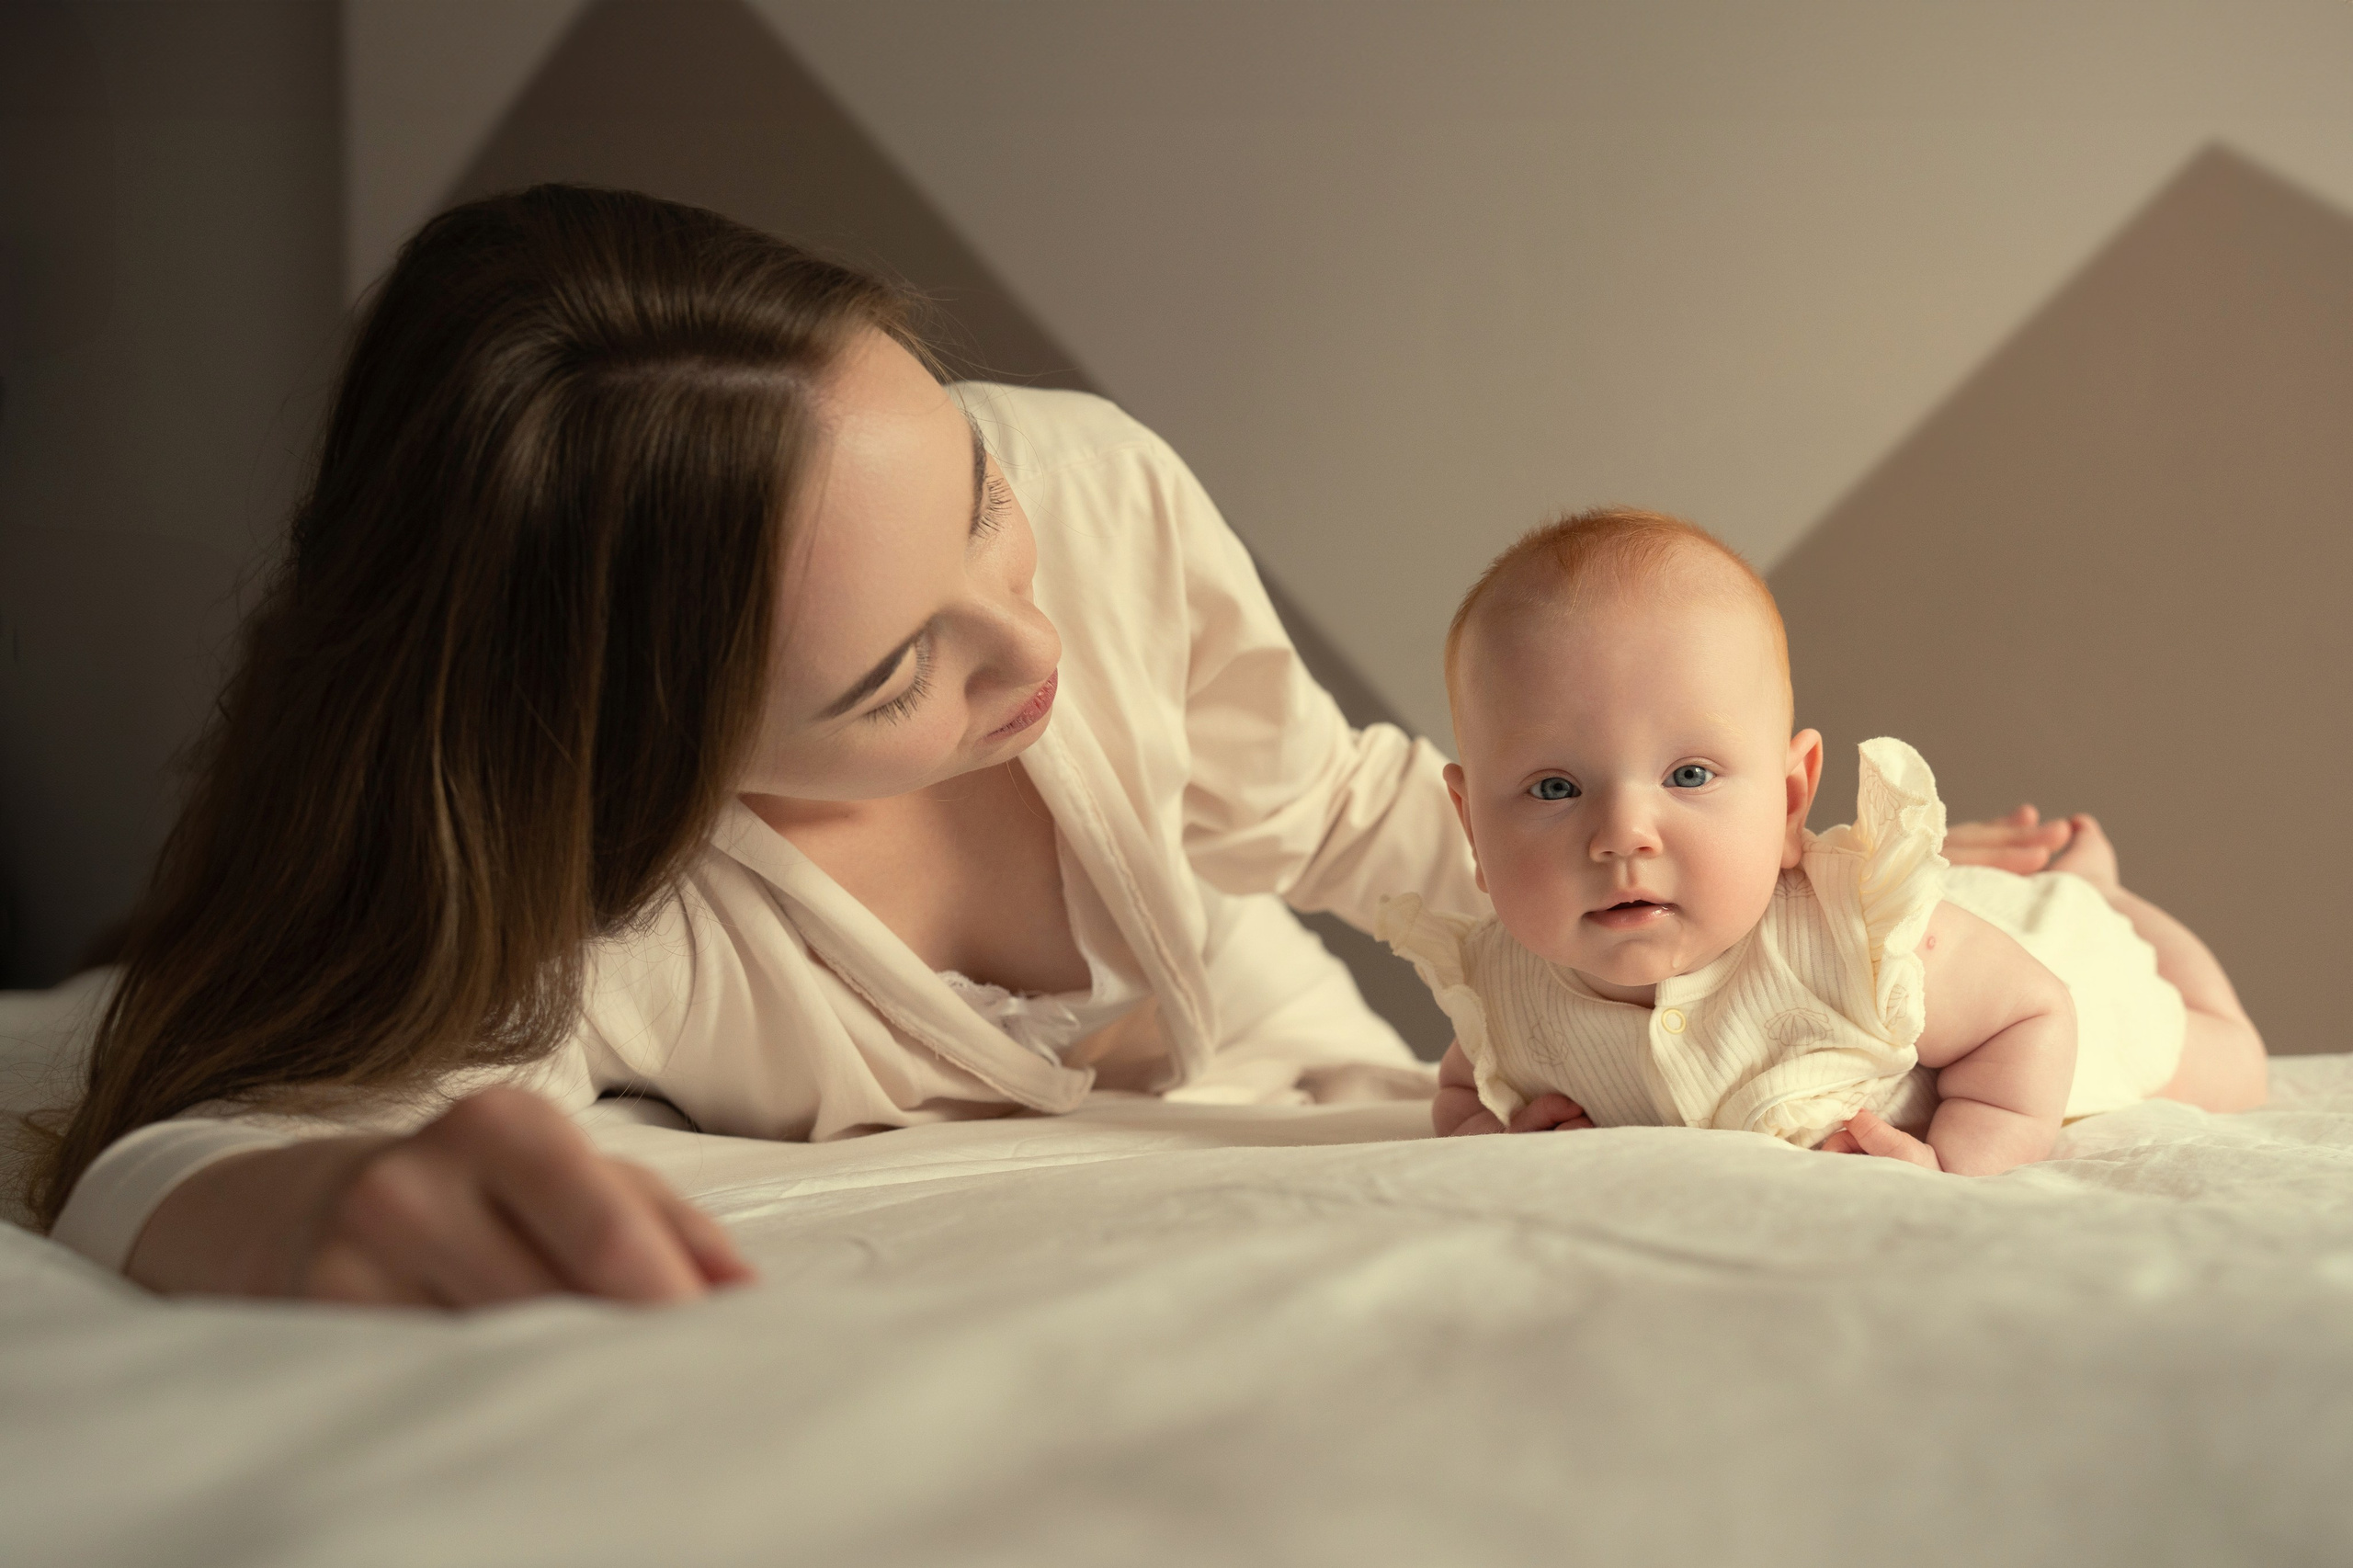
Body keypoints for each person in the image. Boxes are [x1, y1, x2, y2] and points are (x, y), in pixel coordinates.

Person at [24, 189, 2103, 1308]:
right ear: (657, 759)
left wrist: (1825, 904)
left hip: (1281, 1045)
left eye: (975, 501)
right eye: (893, 679)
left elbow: (1348, 809)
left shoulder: (1095, 495)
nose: (1035, 647)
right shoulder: (613, 911)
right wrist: (291, 1212)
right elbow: (203, 1143)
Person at [1388, 508, 2268, 1172]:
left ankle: (2103, 893)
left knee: (2231, 1068)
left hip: (2032, 963)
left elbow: (2033, 1012)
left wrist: (1963, 1159)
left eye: (1688, 775)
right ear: (1473, 828)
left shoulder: (1857, 943)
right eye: (1554, 788)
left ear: (1789, 800)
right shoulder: (1503, 989)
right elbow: (1464, 1088)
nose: (1622, 835)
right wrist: (1490, 1132)